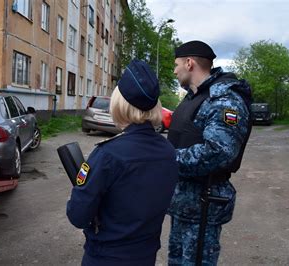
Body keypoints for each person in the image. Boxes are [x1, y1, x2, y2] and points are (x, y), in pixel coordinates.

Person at [66, 59, 178, 266]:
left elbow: (78, 216)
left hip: (106, 257)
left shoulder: (108, 154)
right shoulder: (168, 151)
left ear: (119, 103)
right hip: (145, 254)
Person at [167, 40, 253, 265]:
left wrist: (164, 159)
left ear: (189, 63)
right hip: (184, 203)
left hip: (203, 204)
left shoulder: (225, 100)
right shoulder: (194, 97)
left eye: (176, 64)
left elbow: (218, 152)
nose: (174, 70)